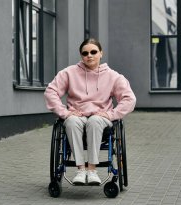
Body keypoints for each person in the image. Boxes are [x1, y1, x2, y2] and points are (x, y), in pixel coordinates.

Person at [44, 38, 136, 185]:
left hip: (101, 119)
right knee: (71, 121)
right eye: (85, 53)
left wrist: (110, 114)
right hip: (77, 115)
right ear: (81, 55)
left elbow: (129, 99)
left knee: (94, 121)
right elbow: (50, 92)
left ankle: (92, 170)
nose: (89, 55)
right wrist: (65, 113)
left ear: (101, 53)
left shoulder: (113, 76)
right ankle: (81, 170)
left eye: (93, 52)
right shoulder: (69, 73)